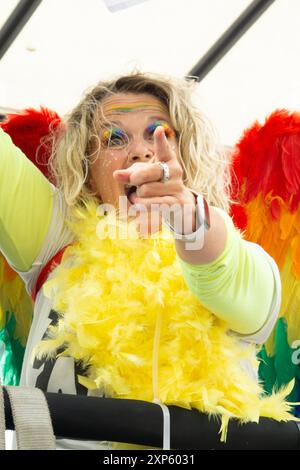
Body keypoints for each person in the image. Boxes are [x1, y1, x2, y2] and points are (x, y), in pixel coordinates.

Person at [0, 72, 288, 450]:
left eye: (161, 134)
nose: (141, 150)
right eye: (114, 138)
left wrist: (188, 219)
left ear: (187, 155)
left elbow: (221, 271)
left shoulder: (245, 263)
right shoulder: (54, 238)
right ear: (86, 168)